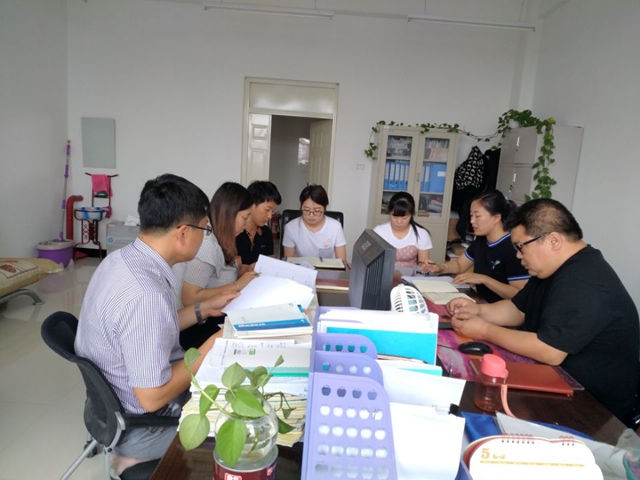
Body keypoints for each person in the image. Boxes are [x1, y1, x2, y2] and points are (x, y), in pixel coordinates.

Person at [75, 174, 239, 476]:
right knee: (241, 428)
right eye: (205, 228)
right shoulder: (146, 293)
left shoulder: (121, 261)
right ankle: (135, 459)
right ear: (183, 233)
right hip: (145, 426)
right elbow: (153, 397)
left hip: (110, 408)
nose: (206, 236)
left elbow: (152, 327)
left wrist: (203, 309)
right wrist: (214, 345)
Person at [448, 198, 639, 425]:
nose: (518, 256)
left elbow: (550, 351)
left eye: (521, 247)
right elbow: (517, 309)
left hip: (593, 409)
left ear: (553, 240)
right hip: (554, 381)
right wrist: (478, 310)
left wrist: (484, 330)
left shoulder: (584, 280)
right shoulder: (550, 268)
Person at [178, 182, 258, 350]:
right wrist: (238, 285)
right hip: (197, 326)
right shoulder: (207, 244)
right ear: (230, 214)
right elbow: (189, 298)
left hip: (214, 315)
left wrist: (246, 272)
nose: (246, 224)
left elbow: (220, 276)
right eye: (245, 217)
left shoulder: (222, 237)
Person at [425, 190, 530, 302]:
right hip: (481, 301)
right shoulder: (482, 240)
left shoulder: (512, 248)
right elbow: (459, 264)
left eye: (477, 216)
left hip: (503, 308)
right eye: (471, 215)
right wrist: (440, 268)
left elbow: (518, 294)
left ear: (496, 218)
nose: (472, 221)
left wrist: (484, 279)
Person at [282, 184, 347, 261]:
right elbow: (289, 262)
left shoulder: (335, 227)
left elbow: (342, 262)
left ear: (324, 209)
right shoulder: (291, 228)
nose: (311, 215)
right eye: (306, 210)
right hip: (301, 268)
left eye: (317, 211)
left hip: (329, 268)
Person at [373, 191, 433, 273]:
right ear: (389, 213)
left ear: (411, 215)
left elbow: (422, 266)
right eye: (395, 217)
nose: (399, 221)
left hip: (410, 276)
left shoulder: (421, 234)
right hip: (383, 275)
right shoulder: (379, 231)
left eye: (404, 218)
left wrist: (426, 267)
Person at [236, 180, 282, 272]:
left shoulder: (266, 233)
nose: (270, 216)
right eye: (267, 210)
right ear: (252, 204)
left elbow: (270, 264)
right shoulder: (235, 231)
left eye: (272, 212)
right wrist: (250, 268)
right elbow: (228, 270)